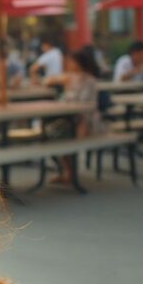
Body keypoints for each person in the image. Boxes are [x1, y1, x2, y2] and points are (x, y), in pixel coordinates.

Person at [43, 48, 104, 183]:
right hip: (71, 118)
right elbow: (47, 82)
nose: (69, 64)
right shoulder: (70, 77)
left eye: (71, 62)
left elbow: (83, 104)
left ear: (80, 63)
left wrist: (68, 88)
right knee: (51, 133)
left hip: (86, 121)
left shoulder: (89, 80)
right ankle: (68, 172)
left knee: (58, 134)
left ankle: (69, 173)